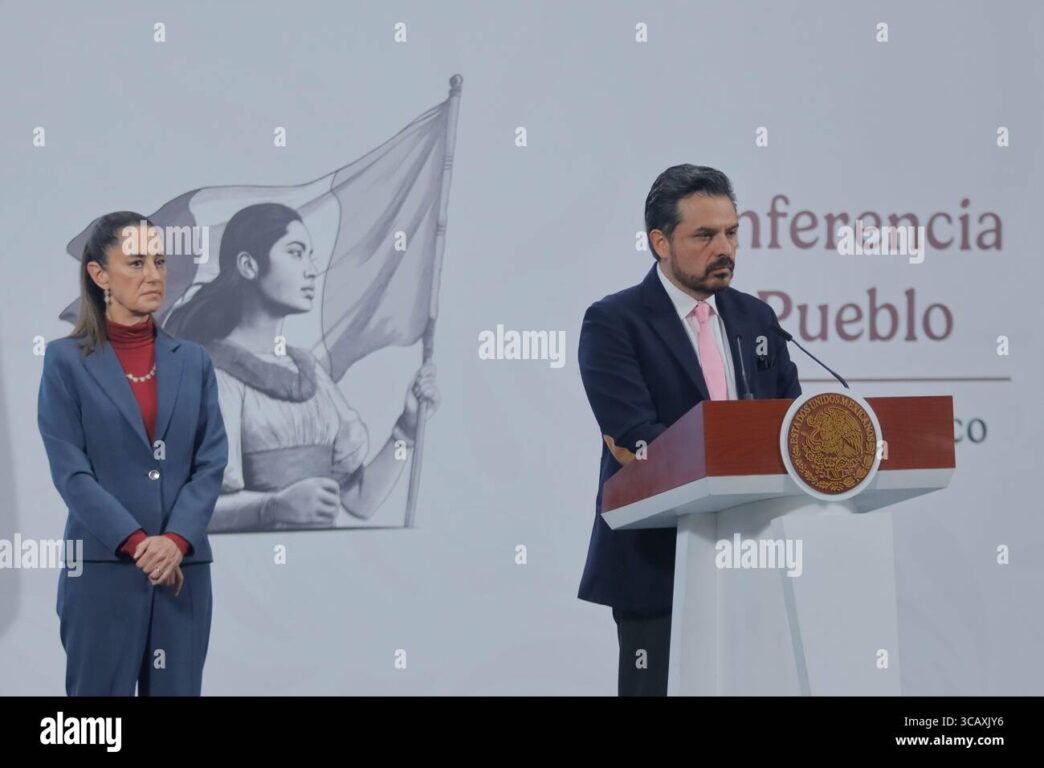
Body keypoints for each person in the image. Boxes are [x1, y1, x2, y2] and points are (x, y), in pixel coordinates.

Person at [577, 165, 802, 696]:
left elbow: (790, 423)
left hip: (753, 560)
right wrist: (732, 452)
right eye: (705, 235)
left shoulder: (757, 319)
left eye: (731, 232)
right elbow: (636, 438)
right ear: (661, 242)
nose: (724, 248)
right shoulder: (614, 322)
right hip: (658, 566)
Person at [37, 211, 228, 695]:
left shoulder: (194, 361)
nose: (154, 274)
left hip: (182, 574)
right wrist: (139, 542)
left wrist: (176, 541)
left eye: (159, 262)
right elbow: (72, 473)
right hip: (103, 572)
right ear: (99, 274)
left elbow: (210, 463)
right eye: (137, 262)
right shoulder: (64, 362)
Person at [164, 203, 438, 531]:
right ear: (249, 265)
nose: (310, 270)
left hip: (321, 559)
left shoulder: (310, 371)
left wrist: (406, 429)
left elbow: (360, 501)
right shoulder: (212, 374)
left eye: (310, 256)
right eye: (295, 253)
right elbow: (189, 510)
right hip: (250, 562)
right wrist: (272, 507)